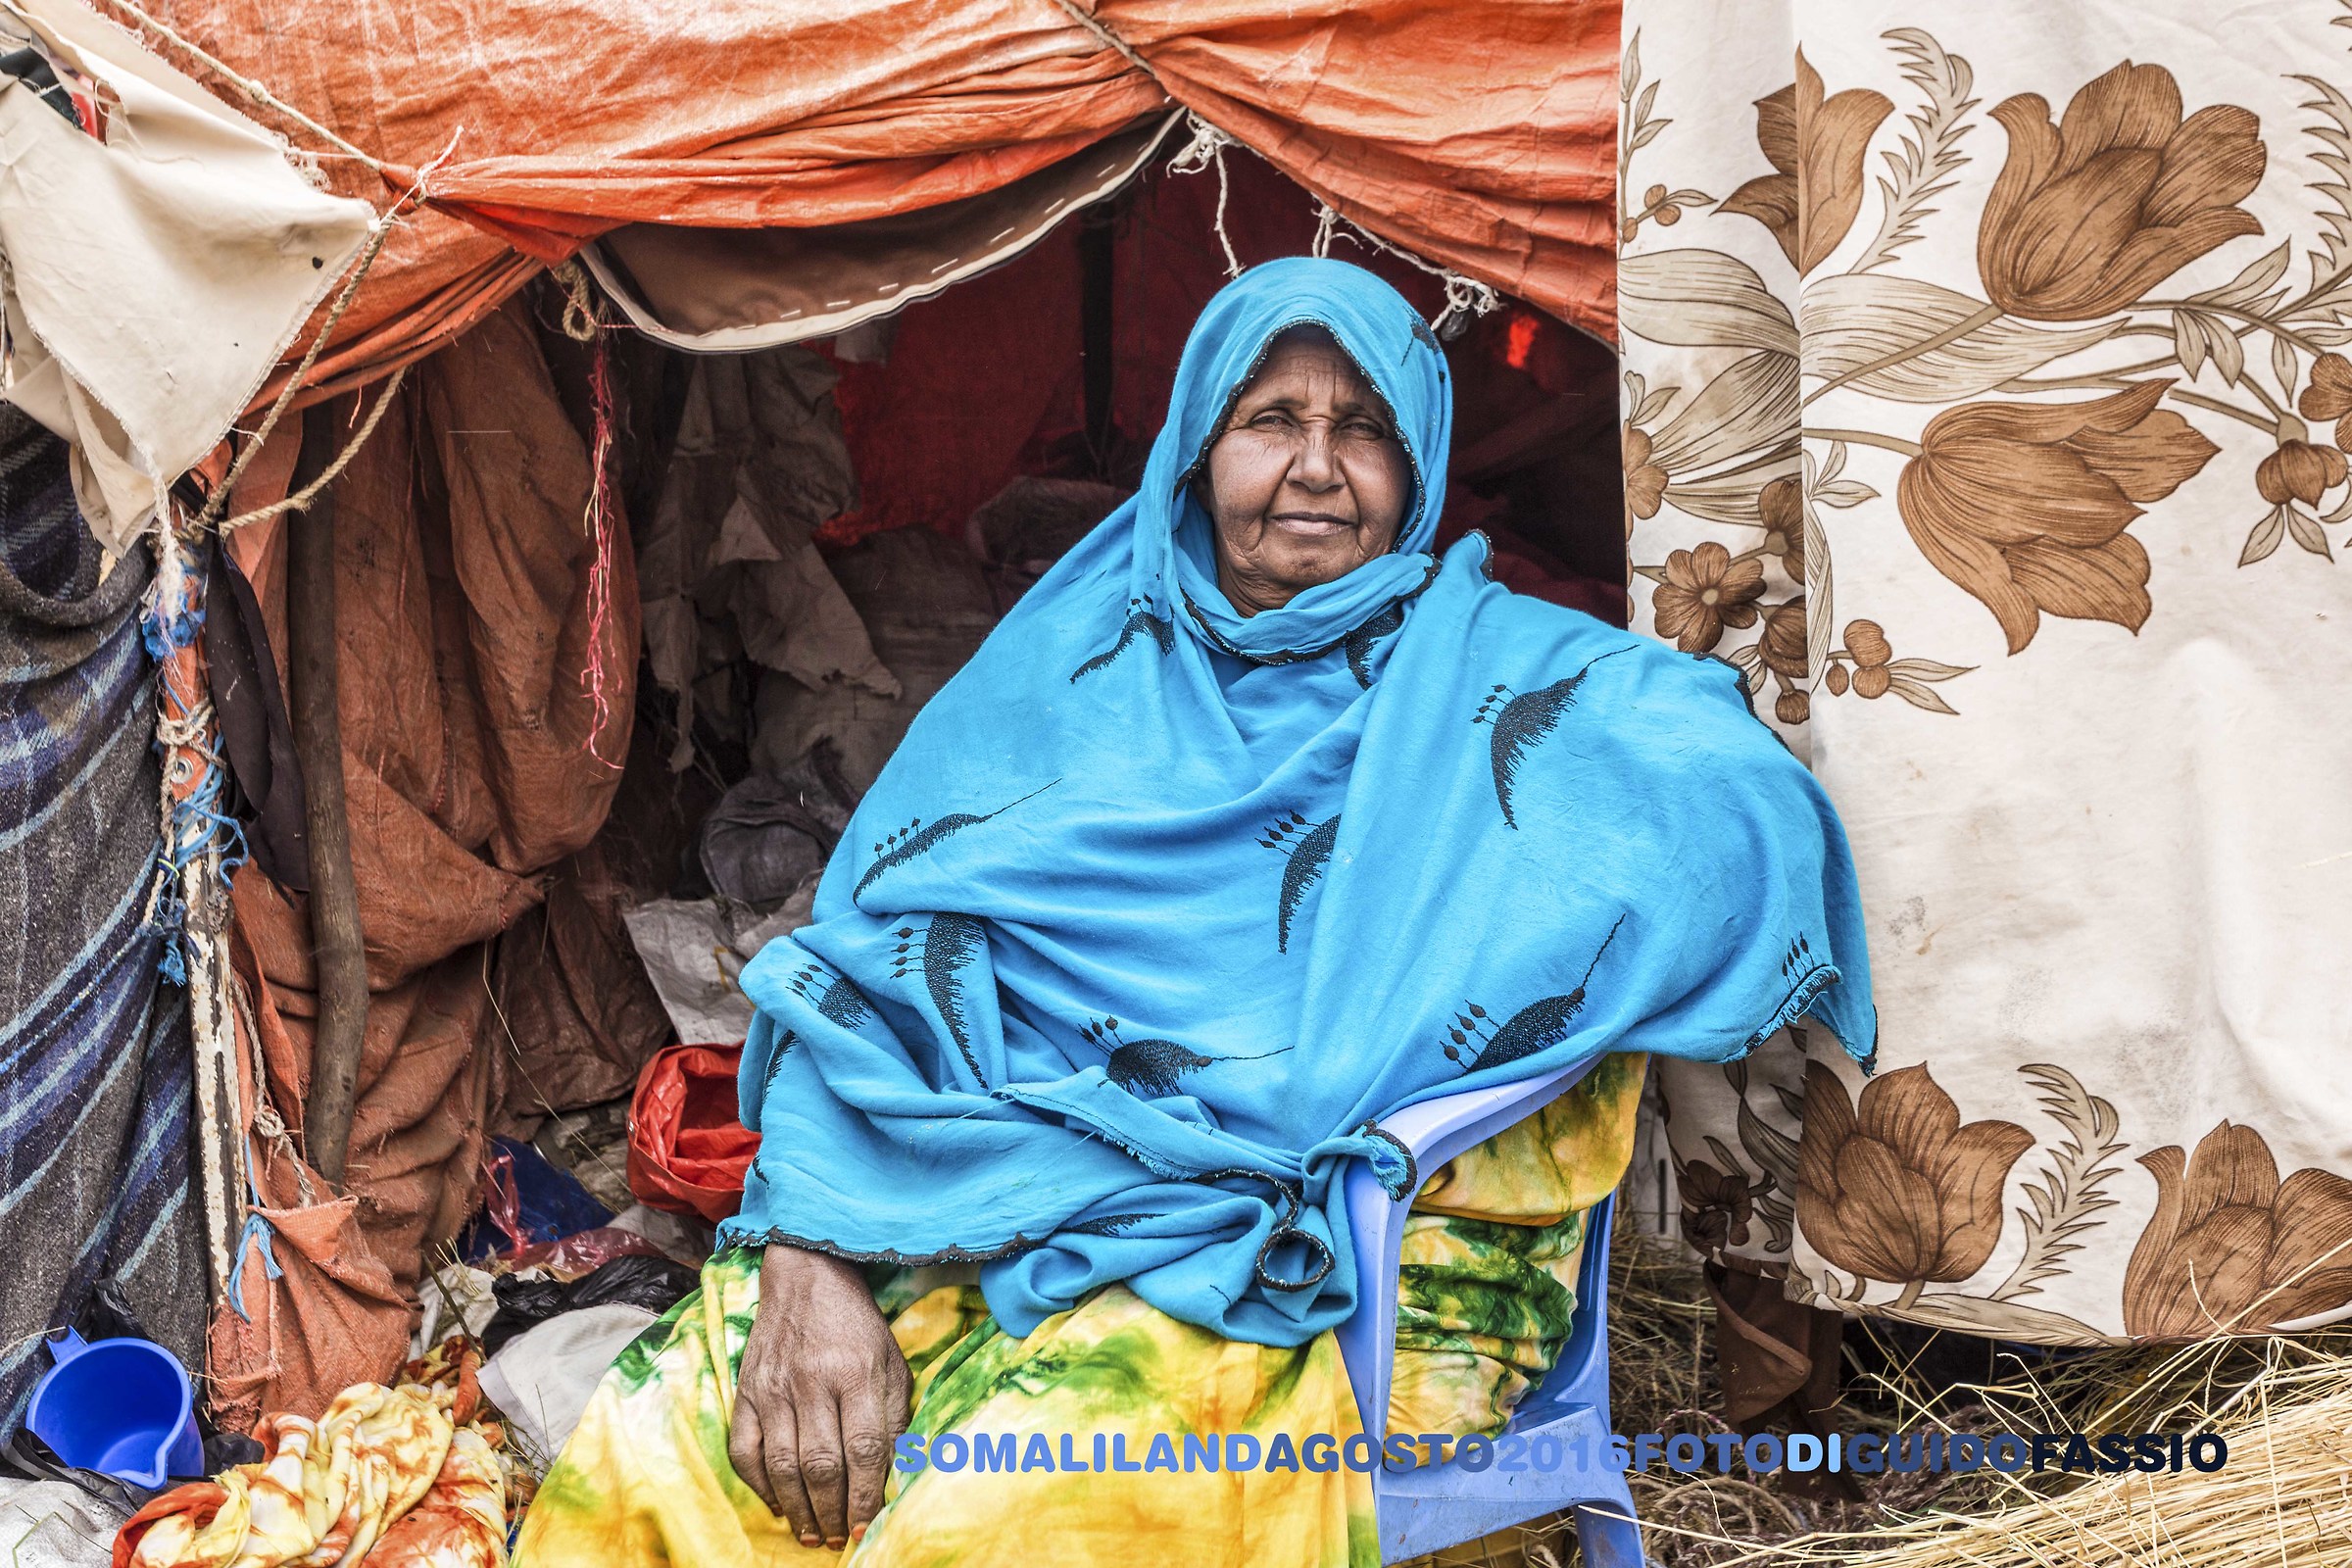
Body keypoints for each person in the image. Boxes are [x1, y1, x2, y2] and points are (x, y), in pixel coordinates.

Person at [515, 259, 1872, 1567]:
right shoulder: (1068, 670)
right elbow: (870, 965)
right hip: (986, 1198)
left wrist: (1495, 949)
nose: (1318, 467)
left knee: (1010, 1518)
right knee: (668, 1445)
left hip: (1359, 1264)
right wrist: (814, 1245)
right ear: (1195, 452)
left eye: (1365, 430)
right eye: (1270, 421)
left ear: (1419, 469)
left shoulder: (1501, 681)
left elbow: (1730, 804)